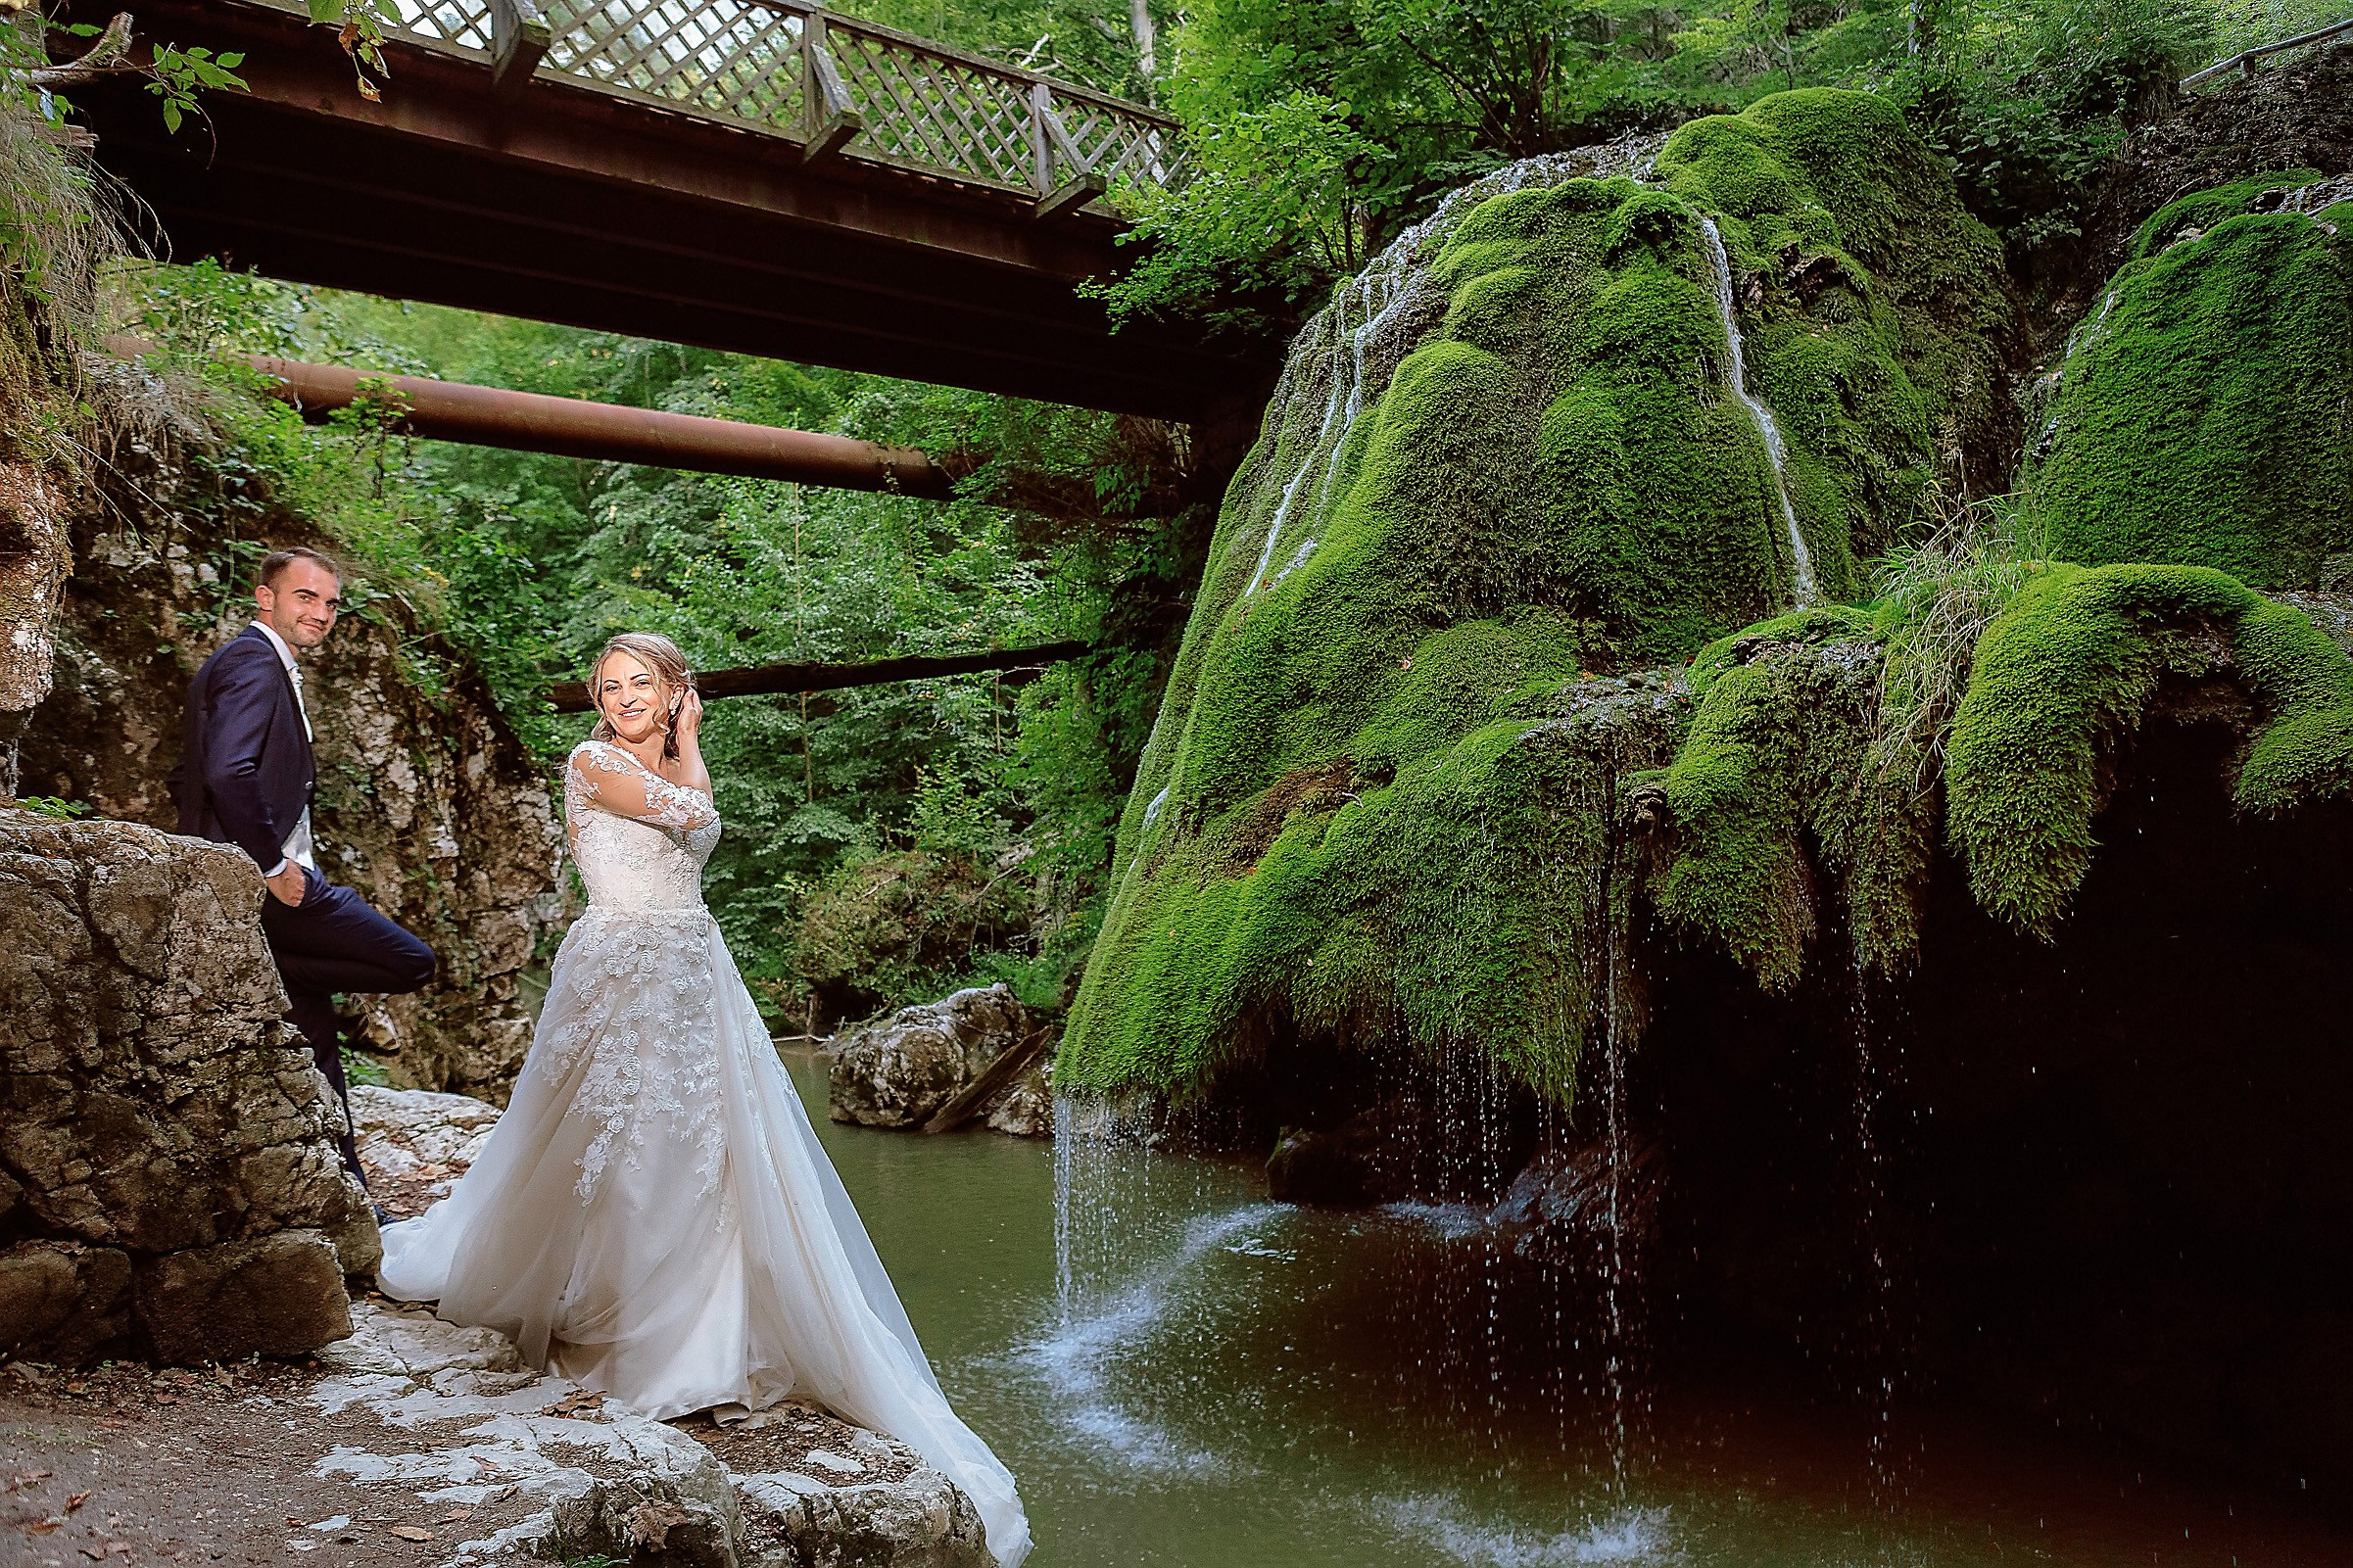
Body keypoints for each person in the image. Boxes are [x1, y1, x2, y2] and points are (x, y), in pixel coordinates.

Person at [375, 633, 1030, 1566]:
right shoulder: (592, 759)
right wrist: (685, 741)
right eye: (611, 685)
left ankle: (715, 1322)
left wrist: (687, 740)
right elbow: (693, 815)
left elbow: (699, 829)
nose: (624, 696)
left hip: (691, 967)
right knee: (619, 1143)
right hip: (625, 966)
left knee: (709, 1145)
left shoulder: (667, 755)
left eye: (643, 682)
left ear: (674, 688)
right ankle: (625, 1327)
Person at [169, 546, 437, 1185]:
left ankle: (350, 1197)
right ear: (267, 597)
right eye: (305, 597)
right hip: (270, 886)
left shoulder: (252, 663)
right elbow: (226, 769)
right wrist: (270, 865)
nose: (321, 612)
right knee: (412, 960)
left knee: (320, 1055)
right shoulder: (255, 663)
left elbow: (185, 774)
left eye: (330, 602)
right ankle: (286, 965)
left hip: (244, 886)